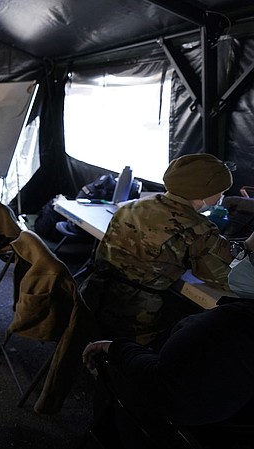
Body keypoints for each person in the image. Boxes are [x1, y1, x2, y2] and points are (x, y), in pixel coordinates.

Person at [79, 153, 254, 346]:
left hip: (93, 300)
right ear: (203, 191)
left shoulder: (131, 207)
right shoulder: (196, 227)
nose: (222, 195)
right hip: (136, 321)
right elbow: (229, 279)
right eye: (220, 190)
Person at [81, 259, 254, 448]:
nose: (239, 259)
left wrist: (116, 348)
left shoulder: (229, 326)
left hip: (167, 430)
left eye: (249, 254)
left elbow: (159, 381)